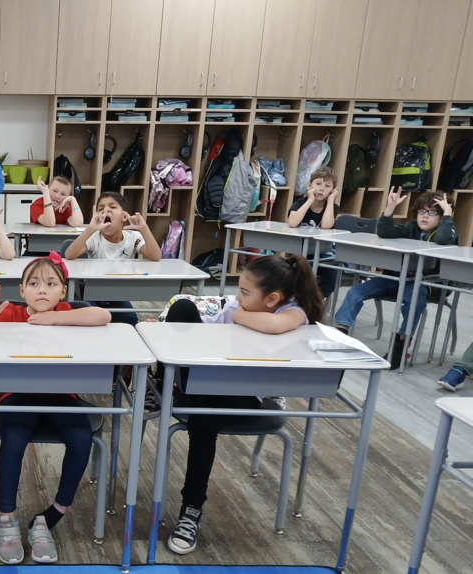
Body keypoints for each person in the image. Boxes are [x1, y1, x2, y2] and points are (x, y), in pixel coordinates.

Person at [161, 254, 323, 555]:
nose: (237, 297)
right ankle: (163, 386)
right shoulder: (240, 307)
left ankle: (191, 509)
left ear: (272, 299)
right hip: (204, 379)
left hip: (242, 392)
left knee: (202, 421)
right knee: (182, 307)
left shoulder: (292, 311)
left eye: (245, 292)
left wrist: (238, 315)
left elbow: (273, 325)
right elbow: (205, 329)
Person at [0, 253, 111, 564]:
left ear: (63, 291)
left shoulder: (67, 312)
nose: (42, 289)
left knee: (82, 438)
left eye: (51, 284)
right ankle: (7, 517)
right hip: (18, 395)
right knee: (14, 439)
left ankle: (52, 515)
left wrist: (54, 319)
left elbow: (103, 315)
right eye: (34, 284)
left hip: (61, 396)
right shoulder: (11, 312)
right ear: (22, 290)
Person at [333, 189, 457, 369]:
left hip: (425, 283)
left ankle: (401, 343)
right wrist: (390, 208)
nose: (425, 216)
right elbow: (385, 232)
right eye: (422, 211)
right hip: (395, 278)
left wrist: (447, 215)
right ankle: (341, 334)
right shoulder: (410, 228)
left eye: (432, 213)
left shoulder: (448, 231)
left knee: (414, 301)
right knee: (355, 292)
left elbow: (444, 239)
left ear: (443, 215)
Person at [64, 192, 162, 324]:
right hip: (93, 295)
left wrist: (144, 228)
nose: (106, 210)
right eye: (101, 208)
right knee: (91, 321)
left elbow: (156, 256)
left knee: (130, 320)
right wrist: (91, 228)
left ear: (123, 216)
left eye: (113, 207)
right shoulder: (94, 238)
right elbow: (69, 255)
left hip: (119, 296)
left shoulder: (133, 237)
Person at [287, 166, 340, 297]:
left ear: (333, 190)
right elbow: (292, 222)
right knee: (299, 274)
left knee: (332, 275)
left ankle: (314, 301)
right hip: (299, 253)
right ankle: (299, 300)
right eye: (318, 184)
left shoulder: (332, 207)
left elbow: (326, 226)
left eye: (327, 186)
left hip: (321, 253)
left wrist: (331, 200)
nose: (321, 189)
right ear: (309, 185)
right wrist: (309, 200)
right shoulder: (300, 204)